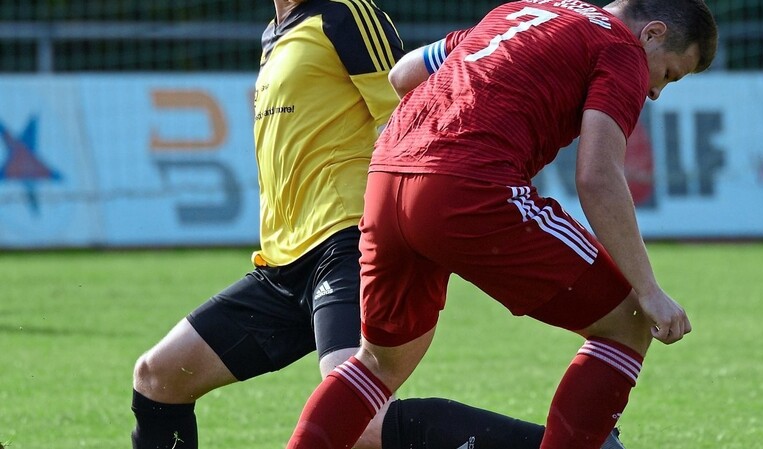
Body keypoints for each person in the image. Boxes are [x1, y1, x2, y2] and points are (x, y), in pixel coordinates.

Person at [131, 1, 626, 449]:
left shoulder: (346, 15)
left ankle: (569, 444)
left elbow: (419, 110)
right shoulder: (276, 32)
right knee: (158, 378)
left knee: (367, 423)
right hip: (283, 265)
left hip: (345, 245)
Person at [284, 0, 719, 449]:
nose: (655, 93)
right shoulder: (620, 47)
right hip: (469, 185)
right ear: (652, 34)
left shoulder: (518, 11)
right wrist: (649, 291)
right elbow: (597, 175)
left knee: (378, 365)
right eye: (668, 74)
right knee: (626, 322)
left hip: (386, 180)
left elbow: (404, 74)